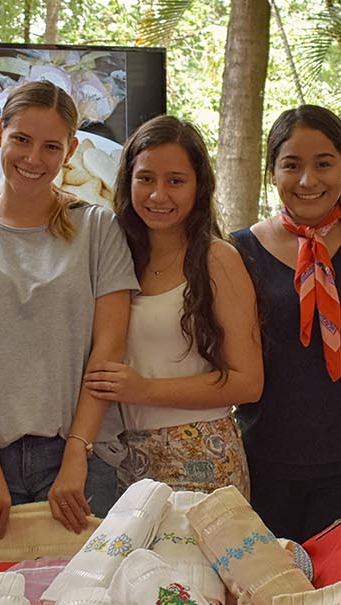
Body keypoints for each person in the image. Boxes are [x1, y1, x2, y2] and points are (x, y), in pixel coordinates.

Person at [0, 80, 137, 540]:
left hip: (79, 454)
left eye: (50, 146)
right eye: (22, 139)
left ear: (71, 151)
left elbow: (109, 348)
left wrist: (76, 456)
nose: (33, 158)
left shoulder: (97, 226)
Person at [232, 105, 341, 540]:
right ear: (273, 172)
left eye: (324, 164)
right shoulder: (239, 252)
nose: (309, 180)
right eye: (292, 165)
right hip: (271, 458)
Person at [83, 116, 263, 495]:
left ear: (199, 187)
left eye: (175, 181)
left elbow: (248, 383)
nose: (157, 195)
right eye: (145, 178)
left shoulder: (217, 259)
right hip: (121, 458)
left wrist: (144, 389)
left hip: (200, 454)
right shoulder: (115, 255)